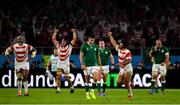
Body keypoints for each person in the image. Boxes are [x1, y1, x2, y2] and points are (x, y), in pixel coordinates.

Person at [108, 32, 134, 100]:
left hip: (128, 68)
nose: (119, 44)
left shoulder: (127, 51)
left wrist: (122, 64)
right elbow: (114, 43)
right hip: (122, 69)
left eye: (120, 43)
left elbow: (129, 60)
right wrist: (110, 36)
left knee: (126, 84)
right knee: (118, 82)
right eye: (119, 43)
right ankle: (130, 81)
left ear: (124, 44)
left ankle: (130, 94)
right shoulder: (119, 49)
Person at [51, 28, 77, 93]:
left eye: (63, 41)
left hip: (66, 65)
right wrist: (55, 32)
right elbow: (53, 39)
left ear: (66, 42)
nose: (62, 42)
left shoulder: (69, 47)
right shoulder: (58, 46)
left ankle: (72, 86)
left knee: (66, 78)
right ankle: (58, 89)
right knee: (58, 76)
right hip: (59, 64)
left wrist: (74, 32)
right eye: (61, 41)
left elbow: (74, 39)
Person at [79, 34, 102, 99]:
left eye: (93, 40)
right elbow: (81, 56)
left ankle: (92, 91)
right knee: (87, 80)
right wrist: (82, 64)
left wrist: (100, 64)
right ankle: (87, 94)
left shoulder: (96, 46)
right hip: (86, 65)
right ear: (88, 39)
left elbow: (98, 56)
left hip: (95, 65)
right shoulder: (84, 46)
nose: (92, 41)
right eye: (91, 40)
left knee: (95, 78)